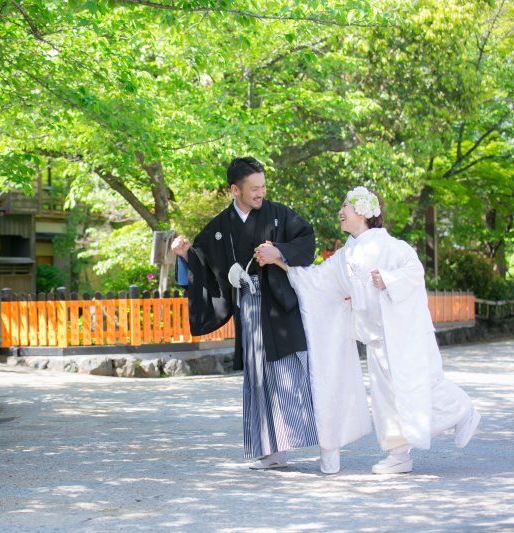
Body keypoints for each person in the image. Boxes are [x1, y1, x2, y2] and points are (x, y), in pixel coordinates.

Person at [171, 157, 369, 472]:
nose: (260, 192)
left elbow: (306, 239)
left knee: (298, 375)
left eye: (263, 186)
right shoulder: (220, 227)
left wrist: (279, 253)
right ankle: (273, 451)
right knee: (259, 379)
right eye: (253, 188)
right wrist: (185, 255)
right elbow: (202, 261)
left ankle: (328, 446)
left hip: (281, 307)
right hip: (249, 309)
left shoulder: (278, 214)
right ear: (234, 190)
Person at [266, 187, 481, 474]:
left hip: (403, 333)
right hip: (376, 337)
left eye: (346, 206)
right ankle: (399, 454)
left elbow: (415, 272)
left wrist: (389, 280)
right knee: (386, 398)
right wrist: (278, 260)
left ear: (364, 212)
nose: (340, 212)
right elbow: (316, 280)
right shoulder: (345, 256)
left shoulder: (393, 247)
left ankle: (462, 408)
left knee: (418, 384)